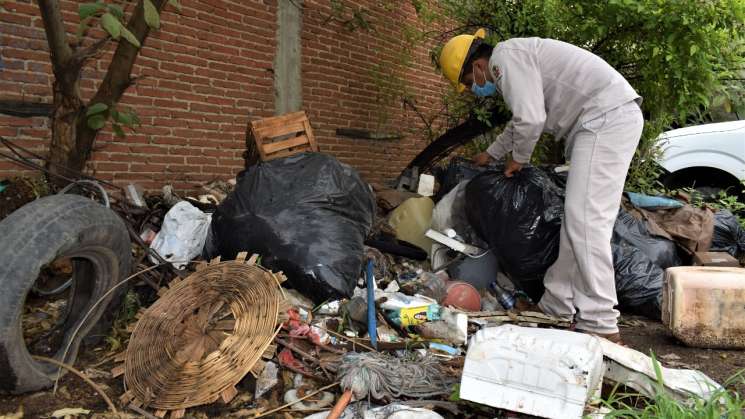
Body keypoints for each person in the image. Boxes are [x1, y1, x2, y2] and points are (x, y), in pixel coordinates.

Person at [439, 29, 643, 343]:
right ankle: (556, 305)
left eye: (468, 82)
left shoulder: (505, 58)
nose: (474, 88)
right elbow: (521, 120)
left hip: (605, 119)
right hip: (598, 121)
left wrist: (518, 159)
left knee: (587, 222)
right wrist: (491, 154)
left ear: (478, 66)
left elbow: (531, 119)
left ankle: (601, 322)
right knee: (576, 222)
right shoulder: (515, 59)